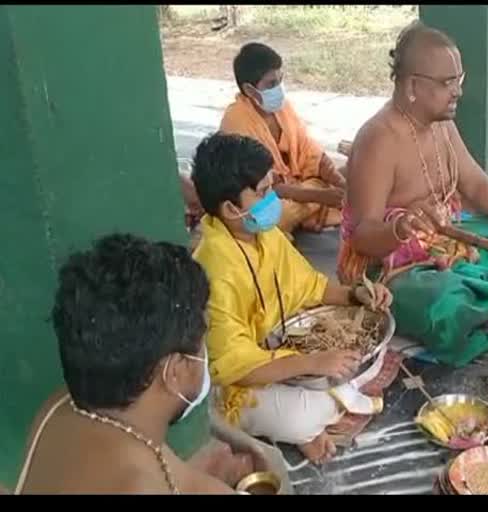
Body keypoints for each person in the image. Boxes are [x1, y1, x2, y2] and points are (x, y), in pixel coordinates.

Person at [338, 21, 488, 367]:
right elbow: (362, 236)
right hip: (387, 269)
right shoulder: (379, 138)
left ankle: (481, 294)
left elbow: (476, 184)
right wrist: (399, 229)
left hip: (440, 242)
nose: (459, 92)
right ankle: (483, 312)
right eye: (448, 83)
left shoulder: (442, 123)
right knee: (444, 305)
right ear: (413, 86)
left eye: (459, 80)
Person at [191, 132, 392, 465]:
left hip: (275, 351)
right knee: (312, 411)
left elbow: (309, 287)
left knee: (362, 361)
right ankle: (304, 431)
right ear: (230, 208)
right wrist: (311, 364)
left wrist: (357, 295)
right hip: (231, 387)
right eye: (264, 192)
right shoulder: (214, 268)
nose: (274, 200)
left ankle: (307, 419)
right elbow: (231, 366)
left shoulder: (263, 234)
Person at [16, 234, 236, 494]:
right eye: (202, 340)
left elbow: (184, 479)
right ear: (173, 371)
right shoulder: (139, 486)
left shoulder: (66, 407)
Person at [219, 42, 346, 238]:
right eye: (271, 84)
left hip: (298, 186)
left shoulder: (283, 107)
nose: (279, 88)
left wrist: (341, 183)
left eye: (280, 80)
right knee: (277, 216)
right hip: (262, 198)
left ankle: (313, 208)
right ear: (250, 90)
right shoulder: (235, 120)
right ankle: (314, 209)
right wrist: (321, 196)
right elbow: (264, 186)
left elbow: (311, 151)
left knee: (354, 170)